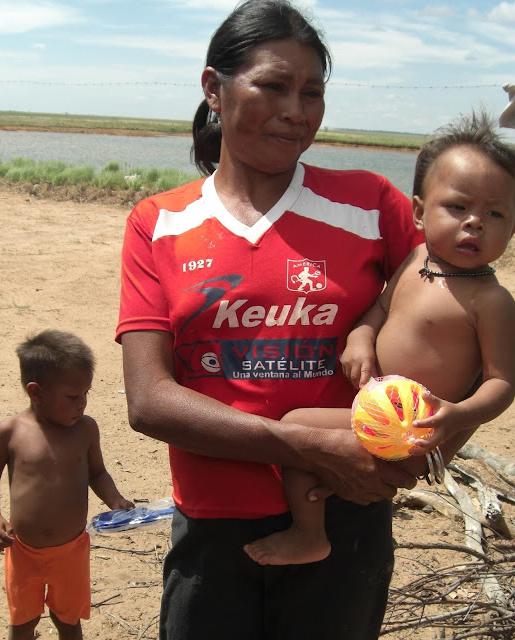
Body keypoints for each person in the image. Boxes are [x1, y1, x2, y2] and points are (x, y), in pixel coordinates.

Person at [116, 1, 424, 638]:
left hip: (346, 512)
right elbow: (149, 401)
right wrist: (302, 443)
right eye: (274, 86)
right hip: (211, 523)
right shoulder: (160, 222)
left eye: (312, 92)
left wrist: (375, 333)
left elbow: (452, 297)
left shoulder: (372, 203)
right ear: (213, 89)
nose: (297, 110)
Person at [243, 110, 515, 566]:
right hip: (377, 410)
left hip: (418, 429)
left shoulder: (491, 301)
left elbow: (502, 383)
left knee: (293, 426)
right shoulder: (414, 260)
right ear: (419, 212)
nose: (475, 223)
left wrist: (454, 417)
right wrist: (360, 340)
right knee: (316, 451)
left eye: (496, 213)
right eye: (458, 207)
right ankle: (321, 519)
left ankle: (309, 534)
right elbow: (379, 310)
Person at [0, 329, 134, 640]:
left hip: (71, 552)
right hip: (23, 550)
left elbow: (97, 473)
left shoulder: (86, 431)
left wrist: (115, 500)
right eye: (73, 397)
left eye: (86, 393)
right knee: (23, 623)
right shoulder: (10, 432)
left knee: (68, 621)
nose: (83, 404)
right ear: (36, 392)